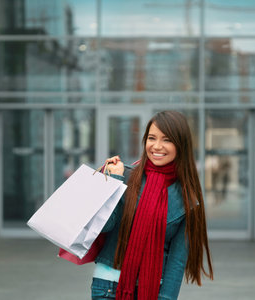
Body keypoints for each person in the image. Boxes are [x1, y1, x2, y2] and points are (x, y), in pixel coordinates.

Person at [91, 111, 213, 300]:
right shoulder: (126, 176)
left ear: (181, 145)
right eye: (151, 138)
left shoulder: (188, 200)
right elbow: (103, 226)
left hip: (153, 291)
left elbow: (177, 261)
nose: (157, 146)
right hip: (108, 286)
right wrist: (113, 180)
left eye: (166, 140)